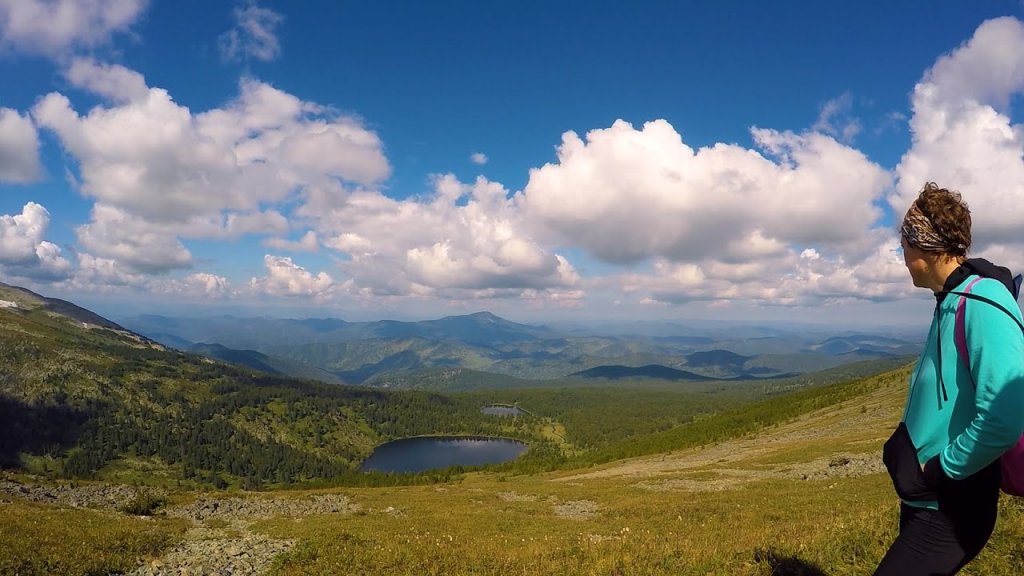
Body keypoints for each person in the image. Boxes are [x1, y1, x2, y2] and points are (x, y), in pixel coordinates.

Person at [874, 182, 1024, 575]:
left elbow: (1004, 417)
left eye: (904, 245)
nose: (902, 256)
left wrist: (942, 468)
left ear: (923, 247)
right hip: (930, 498)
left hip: (953, 505)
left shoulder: (983, 303)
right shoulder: (949, 301)